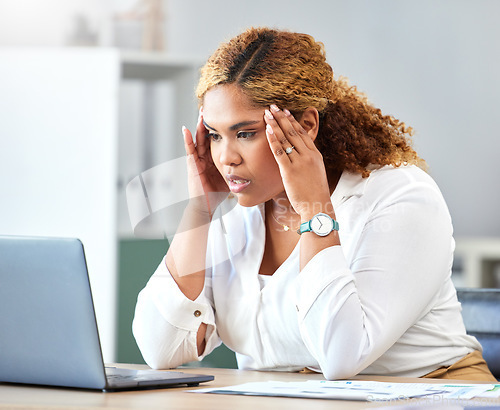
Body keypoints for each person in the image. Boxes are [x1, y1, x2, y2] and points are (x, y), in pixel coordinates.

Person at [132, 27, 496, 381]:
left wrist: (314, 210)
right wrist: (199, 209)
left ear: (305, 126)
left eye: (244, 134)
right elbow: (160, 349)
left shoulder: (401, 197)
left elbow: (341, 356)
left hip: (435, 396)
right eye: (214, 135)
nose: (225, 157)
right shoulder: (236, 214)